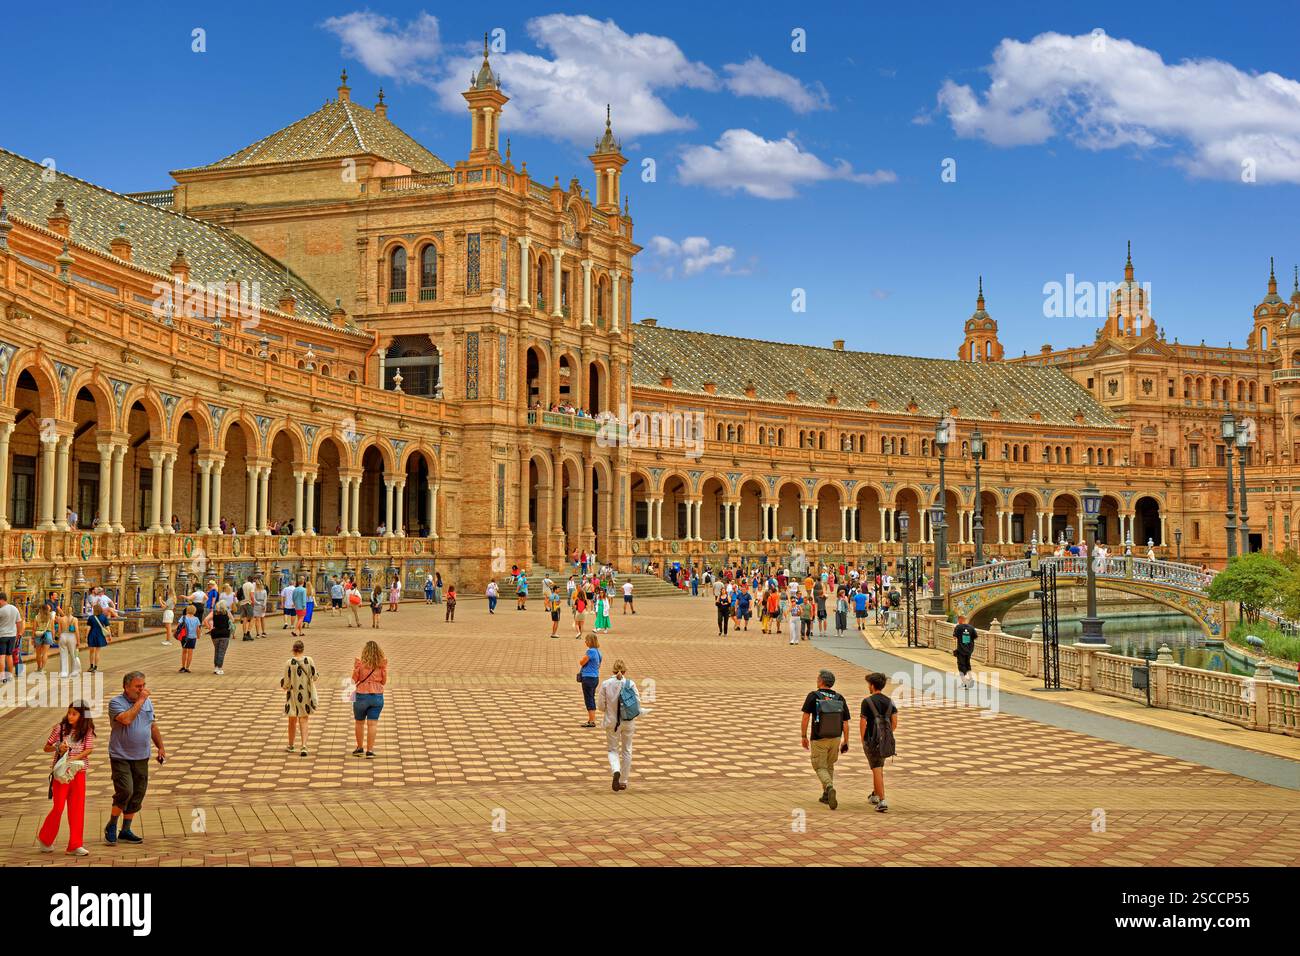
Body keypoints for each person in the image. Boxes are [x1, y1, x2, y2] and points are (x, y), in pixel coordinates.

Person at [105, 671, 165, 846]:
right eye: (138, 686)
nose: (142, 690)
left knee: (138, 792)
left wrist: (160, 746)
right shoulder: (116, 702)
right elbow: (126, 720)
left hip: (141, 755)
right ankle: (112, 824)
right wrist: (140, 701)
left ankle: (126, 830)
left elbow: (152, 725)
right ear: (126, 687)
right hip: (120, 755)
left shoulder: (147, 703)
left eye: (143, 686)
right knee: (126, 790)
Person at [38, 700, 96, 856]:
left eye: (74, 714)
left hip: (79, 772)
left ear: (83, 716)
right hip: (62, 774)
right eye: (69, 712)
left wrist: (75, 757)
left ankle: (75, 845)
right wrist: (59, 747)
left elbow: (89, 749)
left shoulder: (87, 730)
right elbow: (46, 747)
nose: (70, 716)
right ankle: (45, 838)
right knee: (58, 807)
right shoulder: (60, 728)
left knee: (77, 808)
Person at [800, 669, 850, 810]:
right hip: (835, 737)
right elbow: (845, 722)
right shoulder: (839, 698)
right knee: (829, 765)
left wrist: (803, 736)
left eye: (817, 678)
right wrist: (846, 740)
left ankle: (829, 787)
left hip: (819, 737)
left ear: (821, 681)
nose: (816, 680)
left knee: (819, 766)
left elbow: (805, 717)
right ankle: (826, 795)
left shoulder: (813, 695)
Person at [597, 659, 639, 792]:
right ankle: (623, 780)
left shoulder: (605, 684)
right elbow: (637, 703)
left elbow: (601, 706)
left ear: (613, 671)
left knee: (613, 750)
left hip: (612, 722)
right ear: (625, 671)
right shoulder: (630, 684)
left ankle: (616, 770)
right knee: (627, 750)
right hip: (628, 721)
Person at [860, 672, 899, 813]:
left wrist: (863, 739)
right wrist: (886, 735)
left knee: (876, 768)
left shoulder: (867, 701)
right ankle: (875, 795)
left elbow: (863, 722)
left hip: (872, 740)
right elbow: (894, 723)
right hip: (885, 740)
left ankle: (882, 800)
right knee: (878, 767)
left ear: (872, 685)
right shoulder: (890, 701)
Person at [281, 640, 318, 757]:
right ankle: (304, 746)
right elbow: (315, 676)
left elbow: (286, 682)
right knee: (304, 719)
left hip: (292, 694)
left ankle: (291, 745)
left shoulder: (289, 663)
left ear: (293, 650)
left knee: (292, 720)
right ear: (303, 649)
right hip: (305, 694)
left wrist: (285, 686)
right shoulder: (309, 660)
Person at [351, 641, 387, 758]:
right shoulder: (381, 665)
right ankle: (370, 750)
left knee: (359, 722)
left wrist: (356, 669)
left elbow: (354, 679)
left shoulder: (360, 664)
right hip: (377, 695)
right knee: (372, 724)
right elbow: (383, 681)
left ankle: (360, 747)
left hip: (361, 695)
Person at [577, 633, 602, 727]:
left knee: (588, 699)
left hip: (588, 678)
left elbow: (582, 662)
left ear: (590, 641)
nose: (585, 642)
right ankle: (592, 718)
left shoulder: (590, 651)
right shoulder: (599, 652)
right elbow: (599, 665)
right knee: (591, 697)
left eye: (586, 640)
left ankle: (591, 721)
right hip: (595, 677)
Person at [205, 599, 233, 675]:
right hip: (225, 634)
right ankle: (219, 668)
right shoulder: (227, 612)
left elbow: (206, 620)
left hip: (215, 634)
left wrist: (210, 628)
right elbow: (232, 620)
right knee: (221, 651)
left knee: (217, 650)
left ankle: (216, 667)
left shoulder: (214, 612)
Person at [0, 592, 23, 685]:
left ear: (1, 600)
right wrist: (19, 633)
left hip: (2, 635)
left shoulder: (1, 611)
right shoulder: (14, 609)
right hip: (12, 635)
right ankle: (10, 676)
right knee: (9, 656)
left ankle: (2, 678)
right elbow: (19, 622)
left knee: (1, 656)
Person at [85, 605, 113, 673]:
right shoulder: (103, 617)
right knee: (97, 652)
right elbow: (107, 627)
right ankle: (95, 667)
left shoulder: (91, 618)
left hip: (92, 635)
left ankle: (91, 666)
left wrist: (86, 636)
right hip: (100, 635)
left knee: (91, 652)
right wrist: (109, 636)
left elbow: (88, 628)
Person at [176, 601, 201, 674]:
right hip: (193, 637)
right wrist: (198, 636)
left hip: (184, 637)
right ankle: (187, 667)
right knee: (190, 653)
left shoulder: (183, 617)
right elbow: (198, 629)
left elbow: (179, 625)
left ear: (187, 610)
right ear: (194, 611)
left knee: (184, 652)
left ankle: (183, 667)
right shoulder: (196, 619)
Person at [953, 617, 977, 689]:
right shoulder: (971, 627)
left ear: (960, 620)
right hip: (969, 649)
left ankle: (965, 682)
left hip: (961, 649)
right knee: (967, 664)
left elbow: (954, 638)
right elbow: (975, 637)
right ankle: (970, 678)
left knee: (961, 665)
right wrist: (966, 637)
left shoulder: (958, 627)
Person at [56, 608, 81, 678]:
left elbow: (59, 630)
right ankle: (74, 671)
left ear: (65, 611)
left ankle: (64, 672)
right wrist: (78, 641)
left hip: (63, 635)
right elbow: (77, 630)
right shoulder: (75, 619)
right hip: (72, 636)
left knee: (63, 654)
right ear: (72, 611)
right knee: (73, 654)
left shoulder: (61, 619)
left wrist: (59, 639)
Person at [30, 603, 55, 671]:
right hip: (48, 634)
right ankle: (43, 668)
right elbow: (53, 628)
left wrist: (32, 638)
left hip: (38, 634)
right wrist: (53, 637)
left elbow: (34, 628)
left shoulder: (36, 617)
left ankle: (39, 667)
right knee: (45, 653)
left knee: (38, 653)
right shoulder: (50, 617)